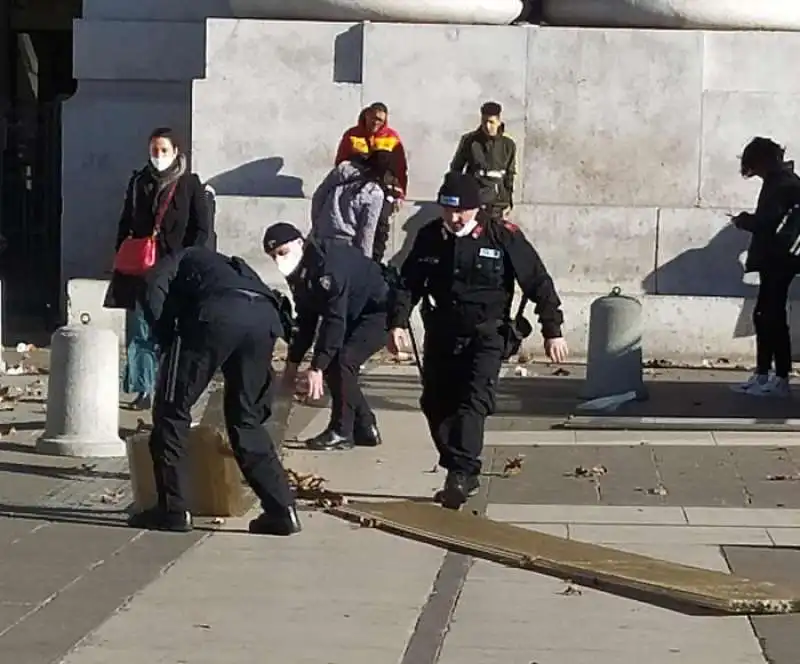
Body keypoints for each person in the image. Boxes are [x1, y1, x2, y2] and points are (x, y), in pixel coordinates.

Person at [387, 173, 567, 510]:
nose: (454, 219)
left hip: (487, 334)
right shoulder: (430, 236)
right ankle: (460, 466)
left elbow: (538, 282)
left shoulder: (502, 236)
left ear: (476, 209)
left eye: (462, 213)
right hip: (441, 333)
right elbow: (407, 283)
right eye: (447, 211)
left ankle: (461, 473)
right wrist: (396, 323)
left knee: (473, 402)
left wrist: (552, 329)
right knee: (436, 404)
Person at [127, 245, 302, 536]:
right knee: (246, 420)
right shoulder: (232, 266)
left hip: (215, 314)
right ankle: (281, 510)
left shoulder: (178, 258)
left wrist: (165, 338)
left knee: (172, 411)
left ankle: (172, 509)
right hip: (264, 320)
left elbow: (150, 286)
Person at [104, 127, 211, 411]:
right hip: (141, 268)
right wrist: (121, 254)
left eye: (164, 150)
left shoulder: (189, 185)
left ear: (176, 152)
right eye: (154, 150)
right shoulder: (140, 181)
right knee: (140, 330)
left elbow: (202, 229)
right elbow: (126, 220)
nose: (158, 156)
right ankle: (143, 388)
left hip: (175, 269)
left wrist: (188, 260)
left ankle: (171, 387)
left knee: (172, 331)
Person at [263, 222, 388, 451]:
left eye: (282, 252)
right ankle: (365, 425)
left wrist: (316, 367)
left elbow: (334, 320)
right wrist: (292, 364)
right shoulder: (299, 271)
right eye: (273, 256)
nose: (279, 260)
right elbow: (306, 319)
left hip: (378, 311)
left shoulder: (327, 266)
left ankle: (341, 431)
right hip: (352, 313)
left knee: (341, 362)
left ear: (299, 243)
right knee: (337, 363)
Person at [730, 137, 800, 397]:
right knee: (765, 315)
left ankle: (779, 378)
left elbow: (767, 222)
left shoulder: (781, 184)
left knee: (771, 317)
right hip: (779, 258)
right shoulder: (782, 181)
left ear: (761, 161)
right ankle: (763, 374)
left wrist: (743, 220)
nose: (753, 172)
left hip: (780, 258)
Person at [311, 150, 399, 263]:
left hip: (321, 241)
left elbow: (318, 198)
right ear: (386, 172)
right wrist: (365, 264)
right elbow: (367, 232)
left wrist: (317, 226)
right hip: (347, 247)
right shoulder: (374, 192)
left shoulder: (341, 172)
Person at [449, 101, 517, 221]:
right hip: (474, 201)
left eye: (491, 122)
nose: (487, 126)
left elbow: (509, 175)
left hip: (497, 204)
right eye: (484, 121)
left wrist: (508, 201)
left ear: (499, 121)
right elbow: (456, 169)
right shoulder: (469, 141)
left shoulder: (508, 144)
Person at [335, 102, 409, 198]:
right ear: (367, 115)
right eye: (373, 118)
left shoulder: (391, 137)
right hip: (354, 189)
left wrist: (400, 194)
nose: (375, 122)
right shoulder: (352, 134)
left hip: (383, 191)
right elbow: (341, 163)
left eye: (379, 120)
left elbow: (400, 168)